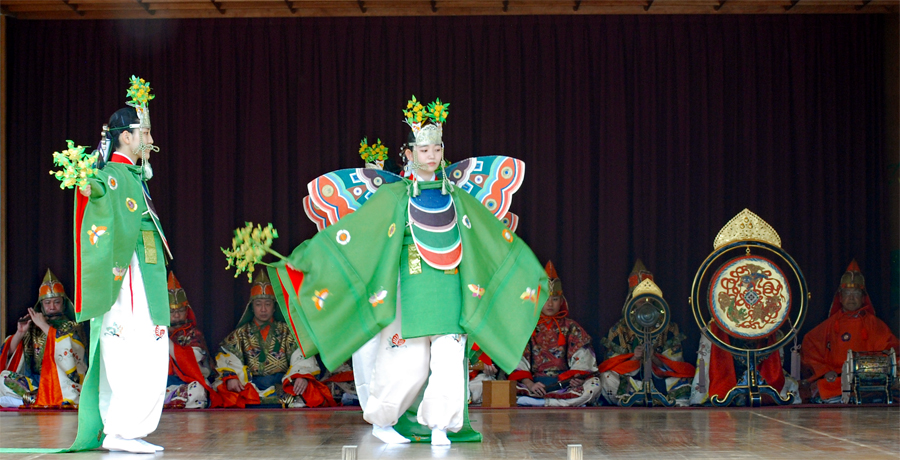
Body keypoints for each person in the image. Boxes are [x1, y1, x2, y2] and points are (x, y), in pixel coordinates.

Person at [261, 95, 546, 445]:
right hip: (410, 292)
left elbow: (491, 238)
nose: (432, 155)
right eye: (424, 150)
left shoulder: (457, 197)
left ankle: (440, 427)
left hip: (451, 291)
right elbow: (354, 236)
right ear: (410, 154)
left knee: (449, 361)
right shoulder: (395, 196)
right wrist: (304, 259)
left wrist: (525, 269)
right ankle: (382, 422)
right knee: (408, 364)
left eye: (437, 149)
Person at [65, 77, 172, 453]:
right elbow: (98, 188)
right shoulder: (113, 174)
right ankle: (122, 430)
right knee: (131, 345)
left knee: (147, 344)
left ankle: (124, 429)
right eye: (145, 132)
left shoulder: (131, 175)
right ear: (126, 137)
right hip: (129, 277)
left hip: (144, 273)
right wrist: (86, 182)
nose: (150, 139)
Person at [214, 269, 334, 408]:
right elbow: (227, 358)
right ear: (251, 307)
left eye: (268, 304)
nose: (263, 309)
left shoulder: (288, 331)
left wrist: (301, 376)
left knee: (310, 392)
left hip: (284, 385)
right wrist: (232, 378)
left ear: (274, 307)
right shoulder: (240, 334)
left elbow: (301, 355)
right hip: (251, 387)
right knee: (226, 392)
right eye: (258, 304)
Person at [598, 260, 694, 406]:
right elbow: (611, 364)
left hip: (660, 379)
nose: (645, 303)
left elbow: (676, 364)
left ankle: (654, 399)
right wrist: (634, 358)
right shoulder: (619, 329)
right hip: (631, 380)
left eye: (649, 299)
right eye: (640, 301)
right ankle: (637, 400)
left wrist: (654, 358)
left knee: (686, 379)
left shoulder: (668, 327)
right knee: (606, 378)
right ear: (631, 300)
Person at [801, 260, 899, 403]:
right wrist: (824, 370)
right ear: (840, 297)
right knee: (824, 386)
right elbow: (809, 346)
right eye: (847, 293)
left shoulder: (875, 324)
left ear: (863, 298)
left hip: (868, 378)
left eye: (856, 293)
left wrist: (876, 371)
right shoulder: (829, 325)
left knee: (883, 386)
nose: (851, 298)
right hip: (838, 378)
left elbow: (892, 351)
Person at [509, 261, 602, 407]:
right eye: (546, 299)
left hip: (564, 384)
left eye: (555, 299)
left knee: (594, 385)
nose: (550, 304)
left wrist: (576, 378)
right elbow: (518, 360)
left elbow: (583, 358)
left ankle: (541, 402)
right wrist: (530, 384)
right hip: (534, 384)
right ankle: (560, 403)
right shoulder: (528, 327)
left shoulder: (571, 327)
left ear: (561, 301)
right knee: (504, 386)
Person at [0, 269, 86, 408]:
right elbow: (9, 353)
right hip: (36, 383)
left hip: (60, 382)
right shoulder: (33, 327)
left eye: (56, 302)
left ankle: (31, 400)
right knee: (3, 378)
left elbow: (69, 351)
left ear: (64, 303)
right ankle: (37, 398)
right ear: (41, 305)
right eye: (47, 302)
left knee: (69, 392)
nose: (52, 307)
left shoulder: (73, 326)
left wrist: (43, 325)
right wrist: (20, 333)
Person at [164, 271, 222, 409]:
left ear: (187, 311)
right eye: (172, 311)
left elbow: (194, 358)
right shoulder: (155, 334)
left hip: (188, 382)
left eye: (180, 310)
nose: (176, 315)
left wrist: (167, 343)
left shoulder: (194, 333)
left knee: (198, 391)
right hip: (163, 384)